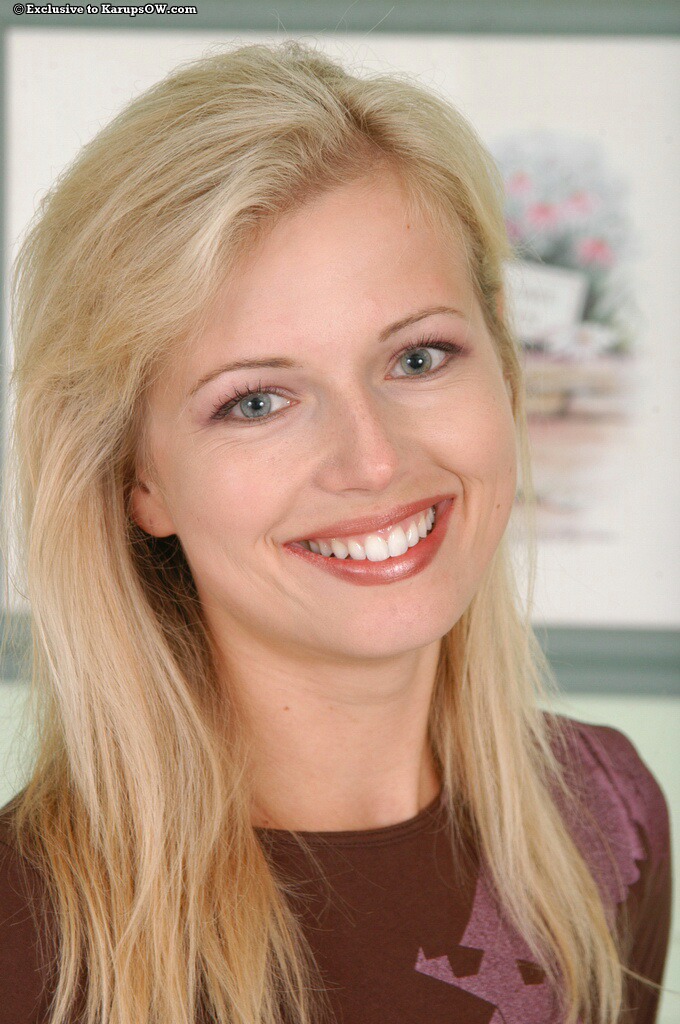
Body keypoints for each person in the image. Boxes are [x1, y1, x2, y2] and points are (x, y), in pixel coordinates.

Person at [0, 39, 673, 1024]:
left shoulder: (606, 820)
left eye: (419, 357)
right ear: (138, 481)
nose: (373, 460)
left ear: (502, 361)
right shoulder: (22, 941)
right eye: (257, 401)